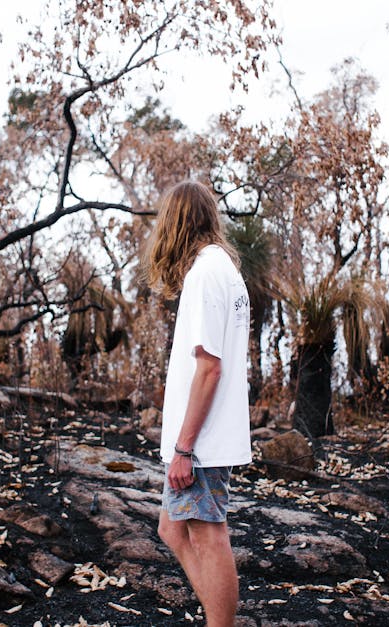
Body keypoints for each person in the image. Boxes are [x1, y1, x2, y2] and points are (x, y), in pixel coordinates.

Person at [145, 180, 252, 626]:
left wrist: (185, 448)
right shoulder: (221, 269)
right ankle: (217, 619)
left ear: (176, 223)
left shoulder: (206, 273)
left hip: (202, 442)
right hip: (199, 439)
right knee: (171, 529)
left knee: (208, 536)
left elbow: (210, 368)